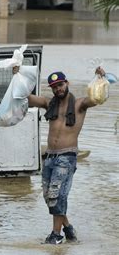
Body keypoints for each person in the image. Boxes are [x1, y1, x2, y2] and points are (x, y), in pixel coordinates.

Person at [14, 66, 108, 244]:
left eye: (61, 85)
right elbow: (27, 97)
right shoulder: (49, 103)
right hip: (49, 157)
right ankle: (69, 230)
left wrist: (101, 79)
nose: (58, 89)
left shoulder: (80, 104)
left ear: (67, 83)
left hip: (67, 157)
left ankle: (56, 236)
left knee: (58, 196)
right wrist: (17, 75)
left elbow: (98, 98)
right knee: (49, 198)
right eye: (55, 87)